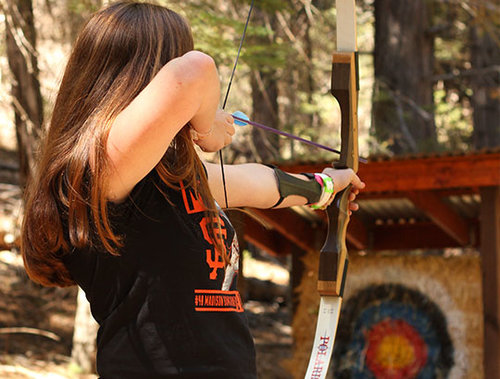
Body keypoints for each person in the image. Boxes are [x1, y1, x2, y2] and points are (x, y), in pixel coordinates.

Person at [21, 1, 365, 378]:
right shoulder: (99, 173)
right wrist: (206, 127)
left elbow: (257, 184)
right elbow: (195, 70)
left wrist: (326, 187)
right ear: (140, 75)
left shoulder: (173, 178)